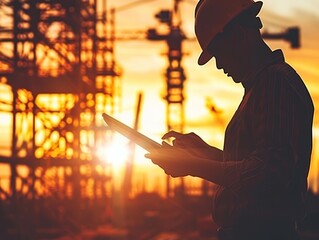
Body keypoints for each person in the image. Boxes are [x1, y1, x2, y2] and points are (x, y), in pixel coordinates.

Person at [145, 0, 314, 239]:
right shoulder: (260, 89)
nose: (219, 65)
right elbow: (255, 163)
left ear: (238, 35)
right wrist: (205, 153)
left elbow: (269, 175)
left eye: (218, 52)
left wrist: (191, 166)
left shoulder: (275, 84)